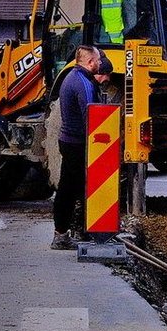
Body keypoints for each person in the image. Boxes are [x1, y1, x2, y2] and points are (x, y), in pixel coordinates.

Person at [50, 44, 110, 250]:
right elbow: (91, 117)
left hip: (70, 141)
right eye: (98, 60)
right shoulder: (83, 83)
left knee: (70, 188)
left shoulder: (72, 77)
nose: (100, 63)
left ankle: (68, 232)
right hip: (76, 143)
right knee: (72, 189)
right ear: (90, 62)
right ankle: (64, 234)